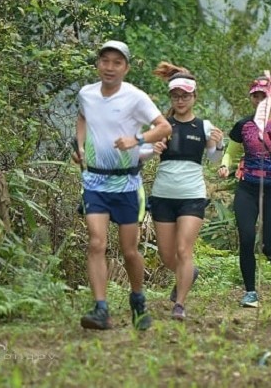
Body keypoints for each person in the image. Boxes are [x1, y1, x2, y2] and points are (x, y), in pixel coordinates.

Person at [73, 40, 172, 330]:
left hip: (127, 182)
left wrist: (137, 140)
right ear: (97, 64)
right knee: (96, 243)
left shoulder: (135, 97)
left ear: (126, 68)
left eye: (117, 63)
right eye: (105, 61)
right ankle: (100, 308)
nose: (110, 68)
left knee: (129, 250)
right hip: (94, 180)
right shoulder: (87, 94)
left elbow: (164, 127)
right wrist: (79, 146)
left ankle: (138, 299)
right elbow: (82, 117)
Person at [218, 74, 271, 308]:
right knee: (246, 237)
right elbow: (230, 152)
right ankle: (250, 292)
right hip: (248, 187)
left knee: (269, 246)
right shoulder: (244, 125)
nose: (259, 100)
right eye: (255, 96)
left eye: (263, 96)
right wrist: (225, 165)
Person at [146, 63, 224, 320]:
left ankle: (179, 304)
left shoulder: (203, 126)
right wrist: (152, 149)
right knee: (167, 255)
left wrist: (218, 143)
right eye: (176, 96)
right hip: (163, 195)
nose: (180, 100)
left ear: (194, 98)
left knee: (183, 250)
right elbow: (142, 154)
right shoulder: (163, 125)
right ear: (172, 98)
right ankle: (190, 273)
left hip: (192, 195)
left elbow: (213, 159)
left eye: (185, 96)